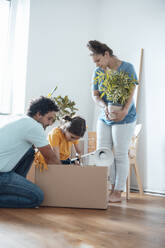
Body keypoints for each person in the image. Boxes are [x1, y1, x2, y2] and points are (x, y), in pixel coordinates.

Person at [87, 40, 137, 202]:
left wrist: (124, 111)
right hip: (105, 116)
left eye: (98, 60)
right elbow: (95, 95)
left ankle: (117, 191)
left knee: (120, 155)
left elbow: (130, 94)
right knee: (103, 153)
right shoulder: (98, 72)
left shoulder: (127, 68)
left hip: (125, 117)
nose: (97, 65)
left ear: (106, 54)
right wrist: (105, 107)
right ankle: (105, 188)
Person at [0, 96, 61, 208]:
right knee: (37, 197)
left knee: (29, 151)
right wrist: (66, 176)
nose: (51, 123)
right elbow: (50, 158)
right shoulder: (34, 126)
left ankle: (13, 187)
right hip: (1, 175)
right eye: (49, 118)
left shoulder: (18, 118)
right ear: (38, 114)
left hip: (4, 171)